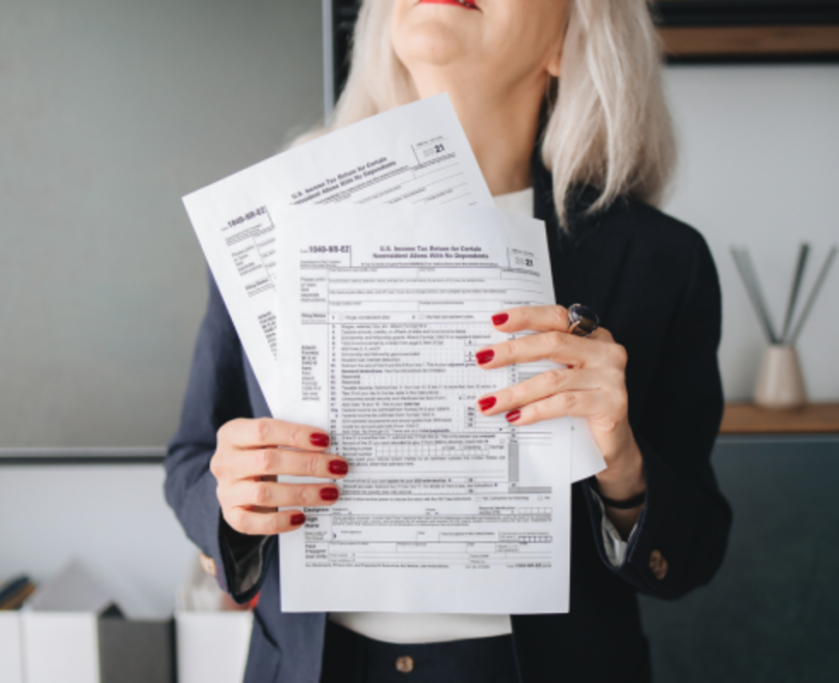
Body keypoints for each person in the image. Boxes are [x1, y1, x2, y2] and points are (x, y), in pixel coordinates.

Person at [165, 0, 732, 681]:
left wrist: (623, 464)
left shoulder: (659, 261)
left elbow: (691, 555)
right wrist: (232, 499)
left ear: (567, 40)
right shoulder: (273, 219)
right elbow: (194, 460)